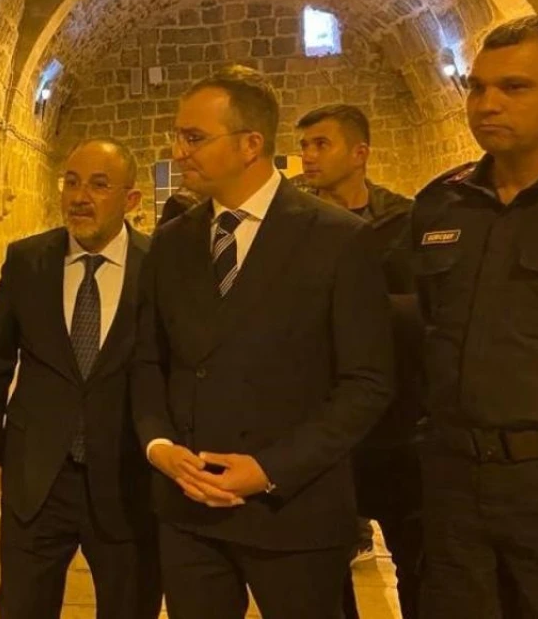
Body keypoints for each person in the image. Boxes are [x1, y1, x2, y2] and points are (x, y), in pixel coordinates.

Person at [132, 66, 394, 619]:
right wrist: (159, 446)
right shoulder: (172, 242)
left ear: (251, 144)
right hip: (189, 511)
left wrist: (270, 468)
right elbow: (150, 360)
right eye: (178, 136)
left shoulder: (338, 238)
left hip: (294, 511)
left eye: (194, 138)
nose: (179, 152)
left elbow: (366, 383)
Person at [411, 15, 538, 619]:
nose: (487, 104)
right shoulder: (443, 205)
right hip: (454, 484)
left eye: (515, 87)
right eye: (477, 87)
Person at [0, 137, 163, 619]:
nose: (80, 197)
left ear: (131, 199)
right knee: (22, 607)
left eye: (99, 185)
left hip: (126, 480)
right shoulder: (27, 260)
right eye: (71, 182)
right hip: (37, 476)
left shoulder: (160, 266)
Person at [297, 104, 423, 618]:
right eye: (304, 145)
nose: (308, 156)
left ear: (359, 153)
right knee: (325, 568)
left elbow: (426, 307)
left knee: (418, 561)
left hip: (397, 422)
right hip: (325, 422)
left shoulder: (404, 221)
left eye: (320, 144)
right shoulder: (296, 225)